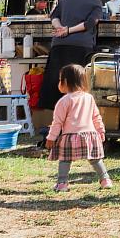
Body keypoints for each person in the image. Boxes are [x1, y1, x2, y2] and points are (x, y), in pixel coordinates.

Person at [38, 0, 106, 111]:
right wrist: (68, 30)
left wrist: (60, 29)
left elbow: (54, 16)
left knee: (58, 83)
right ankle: (75, 119)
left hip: (59, 46)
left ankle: (56, 120)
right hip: (81, 48)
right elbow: (90, 23)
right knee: (77, 86)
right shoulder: (96, 2)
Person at [46, 64, 112, 192]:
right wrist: (100, 131)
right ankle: (105, 180)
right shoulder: (89, 98)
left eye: (60, 80)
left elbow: (57, 122)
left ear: (65, 82)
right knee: (95, 159)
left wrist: (51, 137)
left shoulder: (64, 101)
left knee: (65, 160)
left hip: (70, 137)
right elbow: (96, 117)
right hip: (90, 135)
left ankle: (62, 183)